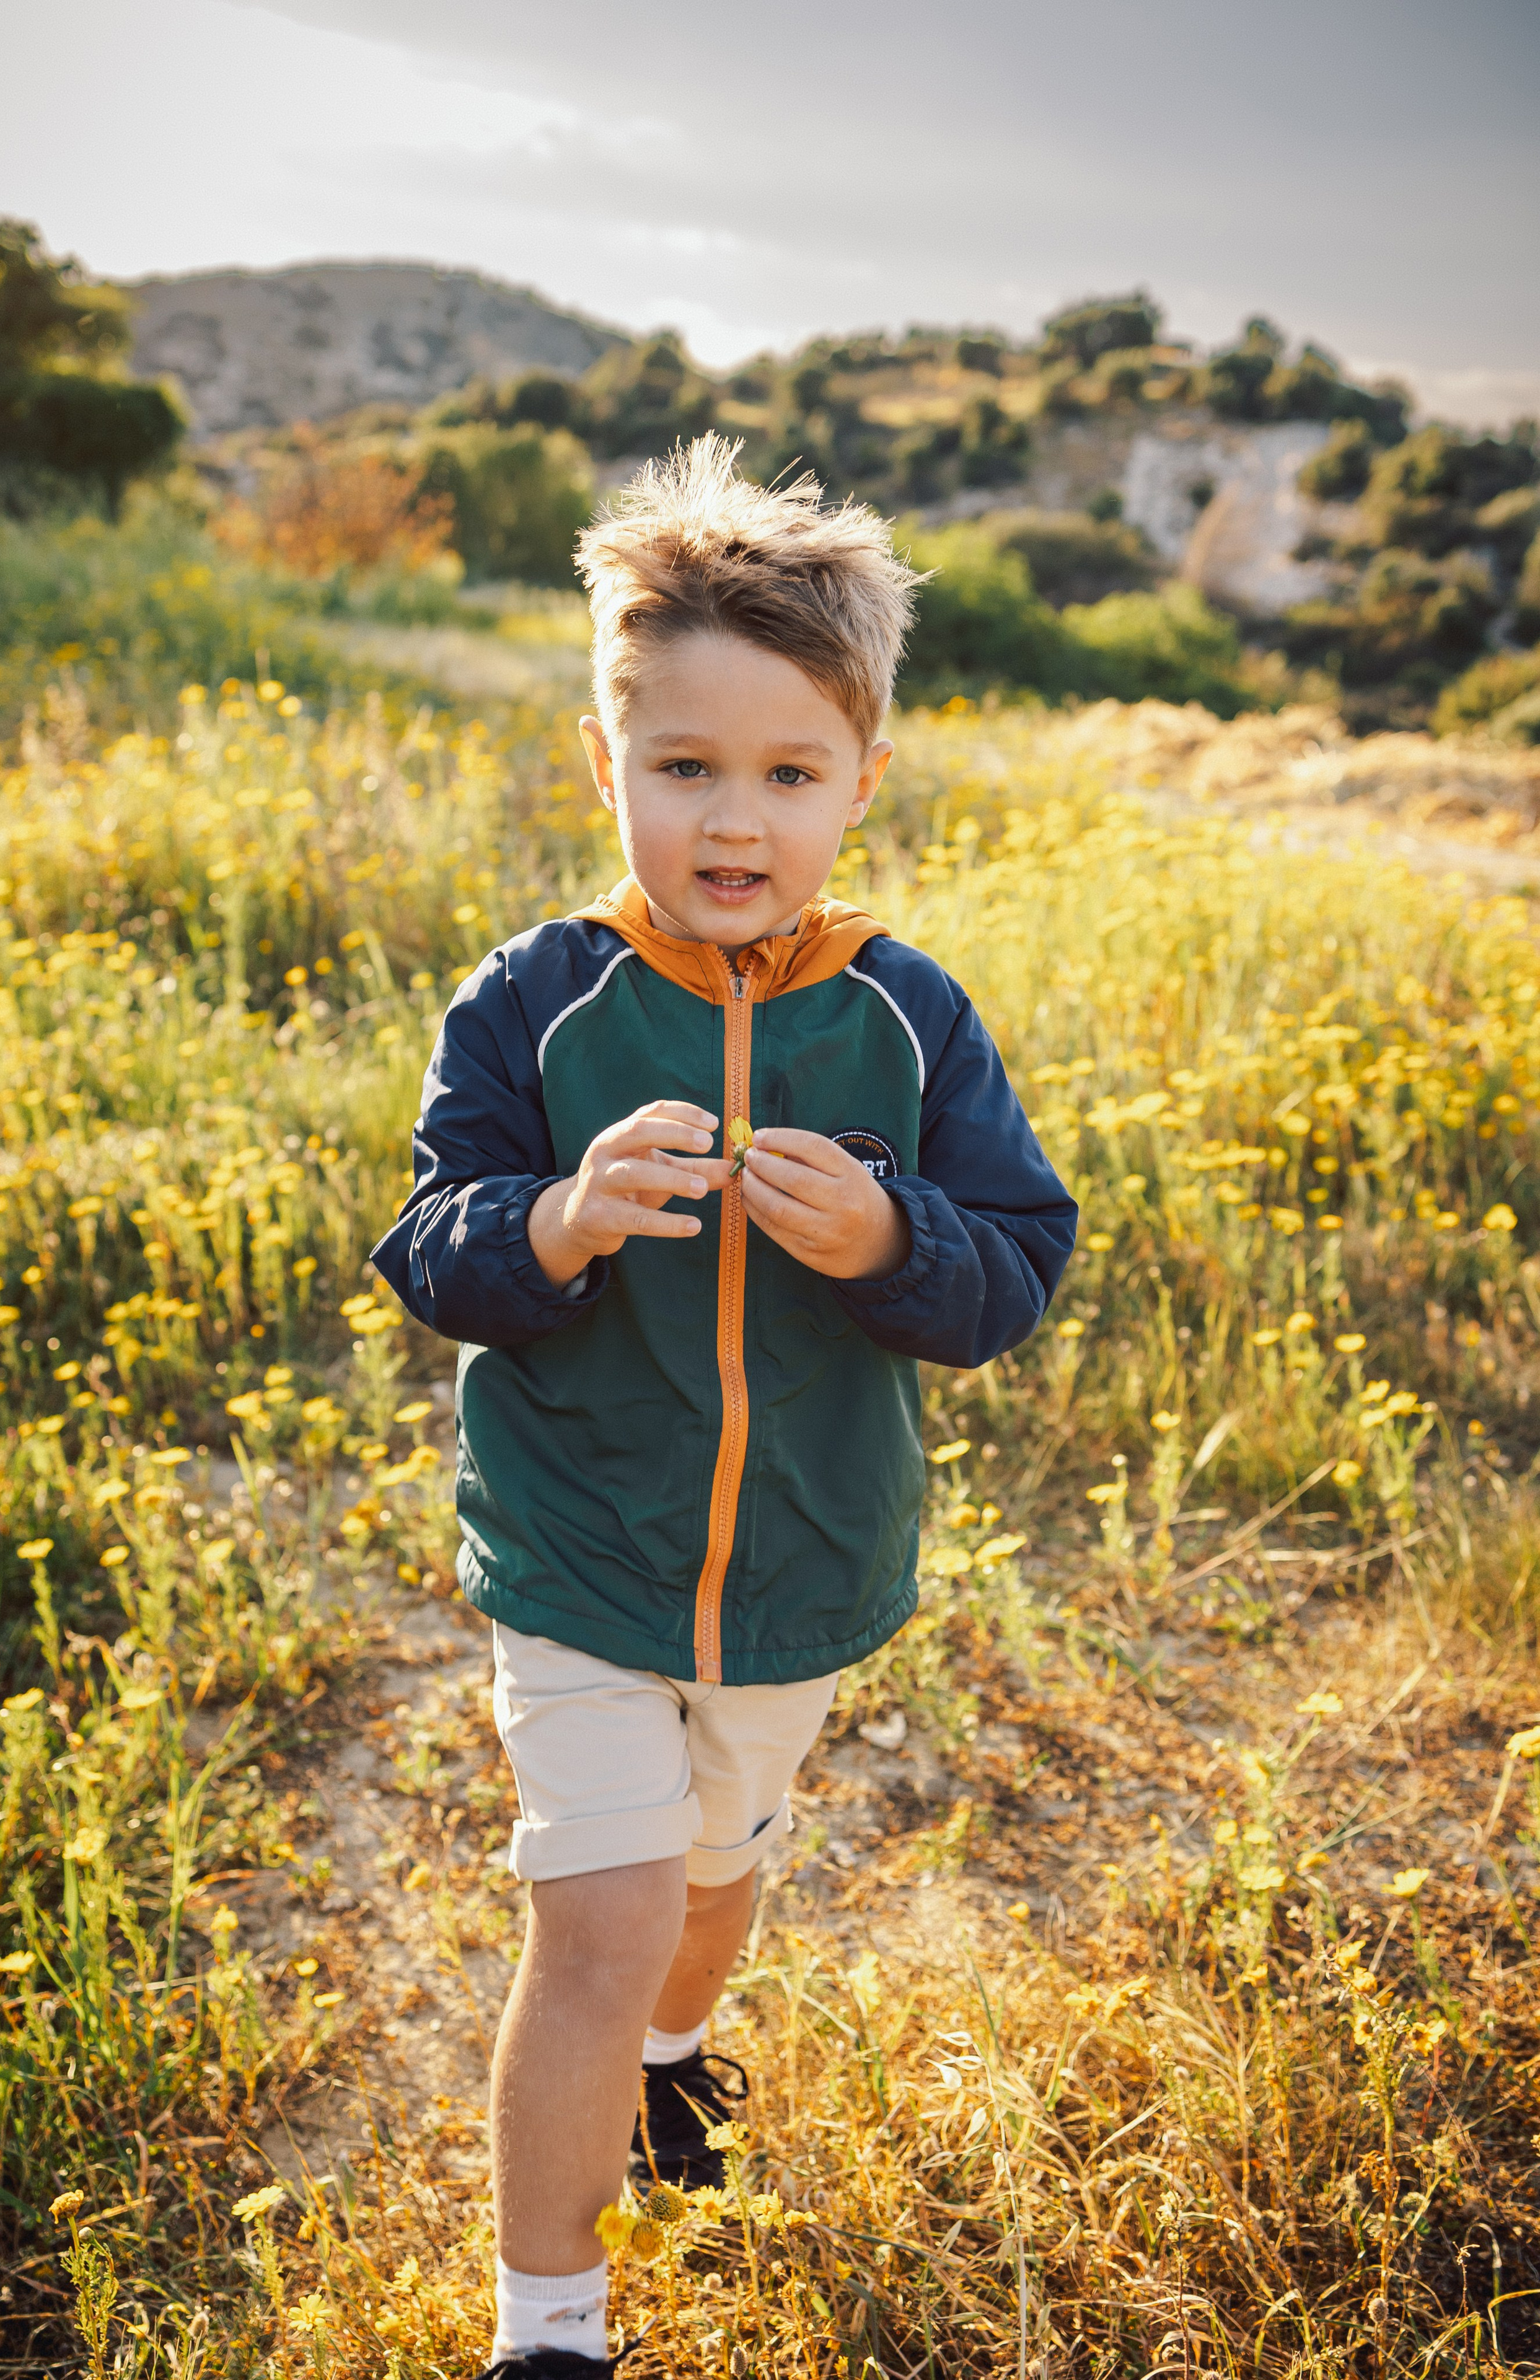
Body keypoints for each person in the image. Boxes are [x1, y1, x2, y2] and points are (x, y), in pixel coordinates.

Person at [372, 433, 1078, 2376]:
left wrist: (891, 1240)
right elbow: (431, 1245)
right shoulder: (539, 1000)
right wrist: (562, 1216)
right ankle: (550, 2328)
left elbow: (1017, 1264)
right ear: (610, 771)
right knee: (591, 1923)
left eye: (788, 772)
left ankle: (685, 2054)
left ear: (862, 779)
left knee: (709, 1885)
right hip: (581, 1557)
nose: (736, 817)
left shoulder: (913, 1014)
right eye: (686, 768)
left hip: (802, 1571)